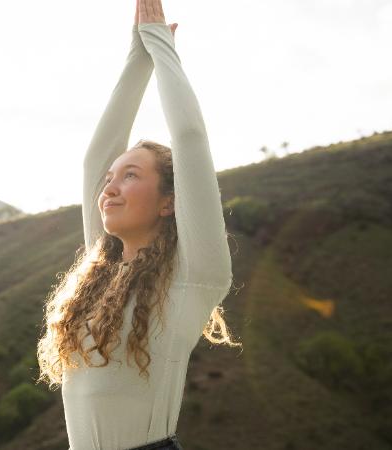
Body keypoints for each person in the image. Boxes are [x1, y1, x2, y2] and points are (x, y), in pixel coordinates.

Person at [36, 1, 241, 449]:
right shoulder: (102, 273)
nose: (108, 188)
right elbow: (96, 160)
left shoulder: (192, 277)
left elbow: (188, 138)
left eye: (130, 175)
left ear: (170, 201)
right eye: (111, 180)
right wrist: (136, 55)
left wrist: (159, 45)